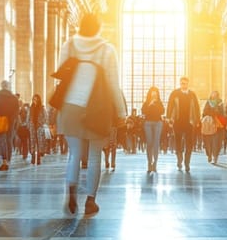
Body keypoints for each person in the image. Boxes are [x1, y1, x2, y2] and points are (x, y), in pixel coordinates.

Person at [55, 13, 125, 214]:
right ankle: (90, 201)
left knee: (74, 154)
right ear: (98, 28)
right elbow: (113, 84)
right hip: (97, 108)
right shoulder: (107, 50)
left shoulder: (69, 45)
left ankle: (71, 193)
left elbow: (61, 73)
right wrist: (120, 111)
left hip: (70, 106)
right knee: (95, 156)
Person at [167, 77, 200, 172]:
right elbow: (170, 106)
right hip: (177, 121)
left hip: (189, 122)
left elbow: (197, 107)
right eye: (182, 83)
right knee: (177, 142)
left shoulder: (192, 94)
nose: (183, 85)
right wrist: (169, 118)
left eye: (185, 83)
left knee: (189, 143)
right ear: (179, 84)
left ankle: (187, 163)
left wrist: (197, 119)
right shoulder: (174, 93)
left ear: (188, 84)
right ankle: (179, 159)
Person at [0, 81, 20, 171]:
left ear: (1, 86)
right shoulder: (14, 98)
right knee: (8, 140)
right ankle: (8, 160)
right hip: (10, 121)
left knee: (1, 141)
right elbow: (16, 111)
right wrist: (12, 119)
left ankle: (4, 161)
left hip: (0, 121)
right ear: (8, 87)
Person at [142, 87, 165, 173]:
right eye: (152, 93)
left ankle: (155, 163)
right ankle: (149, 163)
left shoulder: (159, 102)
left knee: (156, 143)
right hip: (148, 123)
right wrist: (150, 104)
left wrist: (156, 104)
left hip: (158, 123)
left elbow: (162, 111)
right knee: (149, 143)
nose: (154, 95)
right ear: (150, 94)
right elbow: (143, 111)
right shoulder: (146, 103)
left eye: (155, 93)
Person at [201, 91, 225, 164]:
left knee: (216, 142)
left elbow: (222, 112)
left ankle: (215, 157)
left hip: (217, 125)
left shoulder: (220, 102)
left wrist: (216, 113)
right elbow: (204, 112)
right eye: (213, 94)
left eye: (215, 94)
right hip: (209, 125)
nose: (214, 95)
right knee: (208, 142)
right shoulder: (208, 102)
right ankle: (209, 155)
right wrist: (212, 114)